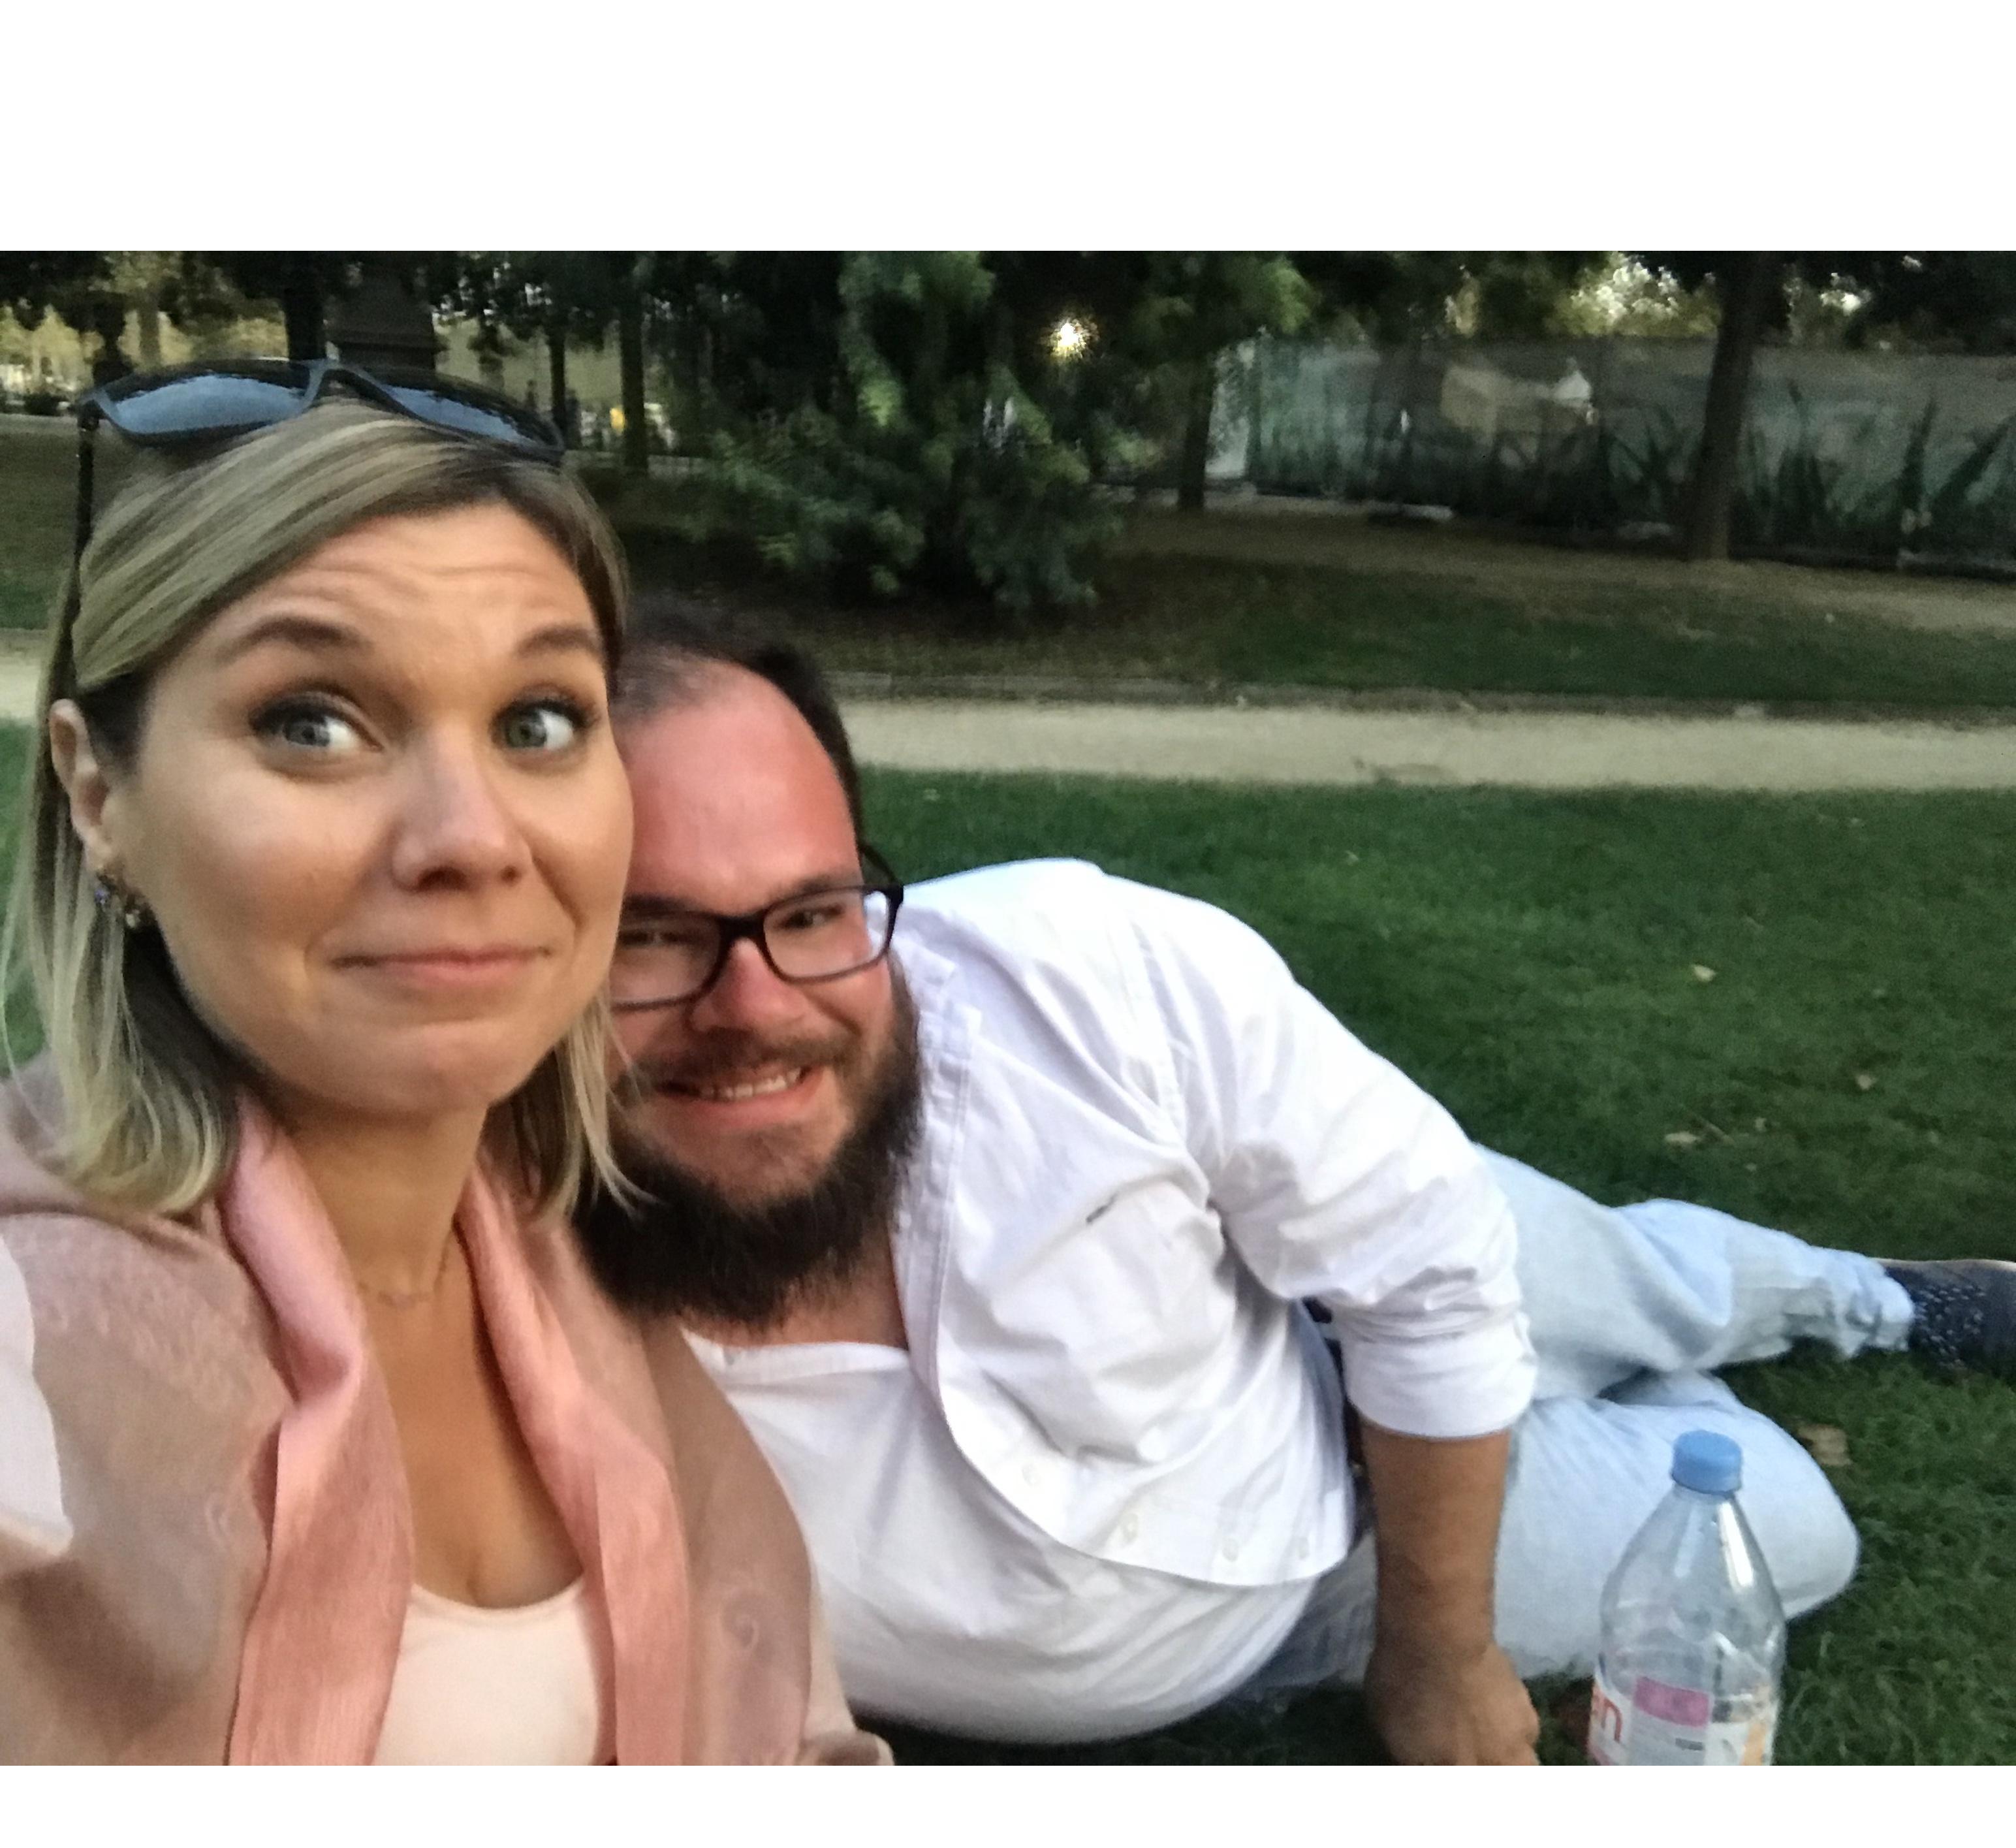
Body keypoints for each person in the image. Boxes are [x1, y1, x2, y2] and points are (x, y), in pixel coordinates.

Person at [576, 597, 2015, 1762]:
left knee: (1604, 1273)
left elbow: (1429, 1265)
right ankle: (1658, 1392)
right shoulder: (509, 1312)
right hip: (1305, 1576)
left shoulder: (1083, 972)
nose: (757, 1003)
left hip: (1320, 1281)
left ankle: (1871, 1299)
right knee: (1785, 1519)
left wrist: (1440, 1653)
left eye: (814, 910)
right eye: (651, 936)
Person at [0, 365, 883, 1765]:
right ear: (99, 793)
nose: (471, 836)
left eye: (537, 719)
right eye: (312, 721)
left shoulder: (564, 1247)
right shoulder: (44, 1339)